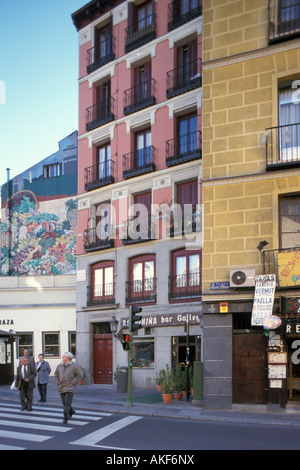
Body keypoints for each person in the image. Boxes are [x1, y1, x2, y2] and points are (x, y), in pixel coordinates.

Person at [54, 352, 83, 424]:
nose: (62, 357)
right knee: (65, 403)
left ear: (67, 358)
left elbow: (80, 375)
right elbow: (56, 375)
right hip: (61, 387)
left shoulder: (75, 366)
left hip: (70, 387)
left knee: (67, 403)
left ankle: (66, 418)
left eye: (63, 356)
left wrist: (73, 382)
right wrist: (58, 383)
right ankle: (71, 411)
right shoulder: (59, 366)